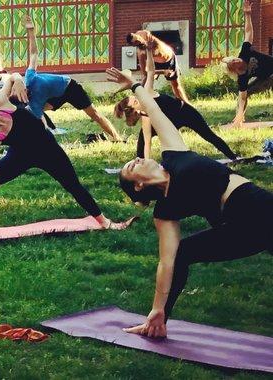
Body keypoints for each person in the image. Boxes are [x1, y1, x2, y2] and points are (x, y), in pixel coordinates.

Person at [106, 66, 272, 338]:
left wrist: (135, 85)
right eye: (132, 165)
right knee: (183, 252)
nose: (138, 158)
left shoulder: (174, 155)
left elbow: (156, 113)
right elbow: (166, 262)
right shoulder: (165, 211)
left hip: (258, 207)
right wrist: (158, 307)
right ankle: (159, 321)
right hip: (237, 230)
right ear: (138, 184)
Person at [0, 72, 125, 244]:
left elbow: (12, 76)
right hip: (20, 156)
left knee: (73, 185)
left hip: (47, 150)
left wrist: (18, 80)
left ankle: (104, 222)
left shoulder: (0, 102)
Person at [114, 46, 236, 160]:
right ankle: (139, 165)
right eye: (135, 101)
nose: (137, 98)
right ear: (134, 109)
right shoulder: (146, 118)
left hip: (185, 113)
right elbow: (147, 143)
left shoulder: (147, 93)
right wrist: (145, 161)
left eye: (134, 97)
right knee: (142, 142)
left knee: (209, 136)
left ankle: (233, 157)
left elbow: (150, 71)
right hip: (168, 122)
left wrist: (150, 51)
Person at [22, 15, 122, 141]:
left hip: (70, 87)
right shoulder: (33, 103)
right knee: (30, 114)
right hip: (54, 96)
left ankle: (117, 138)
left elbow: (33, 53)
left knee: (94, 114)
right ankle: (41, 138)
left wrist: (31, 30)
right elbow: (42, 122)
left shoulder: (30, 78)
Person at [222, 0, 273, 128]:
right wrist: (240, 115)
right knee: (243, 95)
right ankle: (238, 121)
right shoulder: (242, 79)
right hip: (266, 78)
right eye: (234, 62)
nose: (237, 60)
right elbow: (243, 97)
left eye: (234, 59)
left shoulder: (244, 52)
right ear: (234, 69)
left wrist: (248, 15)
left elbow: (248, 33)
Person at [127, 29, 190, 104]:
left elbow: (147, 38)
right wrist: (163, 72)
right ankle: (138, 104)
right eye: (136, 43)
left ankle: (187, 105)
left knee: (175, 85)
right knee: (145, 83)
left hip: (169, 58)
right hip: (154, 63)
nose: (139, 43)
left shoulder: (145, 34)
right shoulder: (141, 53)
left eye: (138, 40)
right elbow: (145, 73)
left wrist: (145, 43)